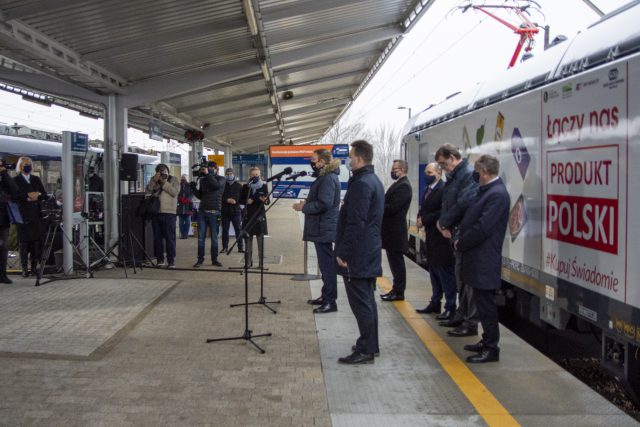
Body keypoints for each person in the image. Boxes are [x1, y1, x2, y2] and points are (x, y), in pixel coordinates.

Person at [455, 155, 510, 363]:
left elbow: (483, 227)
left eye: (477, 171)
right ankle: (486, 340)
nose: (475, 175)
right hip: (477, 258)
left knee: (486, 305)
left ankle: (491, 348)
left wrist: (461, 242)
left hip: (484, 259)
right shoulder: (487, 191)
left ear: (484, 171)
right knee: (481, 302)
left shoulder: (497, 195)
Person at [335, 140, 384, 365]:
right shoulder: (372, 180)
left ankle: (366, 350)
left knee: (361, 303)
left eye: (351, 156)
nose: (348, 160)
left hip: (358, 253)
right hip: (368, 250)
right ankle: (370, 344)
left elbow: (356, 222)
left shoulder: (362, 184)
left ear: (360, 158)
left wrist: (343, 253)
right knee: (367, 301)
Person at [434, 144, 479, 337]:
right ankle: (461, 315)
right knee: (461, 277)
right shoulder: (455, 176)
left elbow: (464, 203)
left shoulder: (467, 175)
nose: (443, 169)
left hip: (463, 233)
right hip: (456, 232)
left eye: (444, 164)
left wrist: (443, 222)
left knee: (467, 280)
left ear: (453, 157)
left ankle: (470, 322)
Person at [293, 148, 341, 314]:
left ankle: (330, 302)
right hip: (321, 227)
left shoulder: (328, 178)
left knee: (327, 266)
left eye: (314, 160)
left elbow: (324, 204)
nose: (311, 163)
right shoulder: (326, 176)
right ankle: (325, 295)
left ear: (322, 162)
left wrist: (303, 207)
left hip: (324, 227)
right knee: (325, 264)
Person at [415, 163, 456, 320]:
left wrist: (424, 219)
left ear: (438, 174)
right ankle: (435, 302)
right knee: (434, 273)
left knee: (445, 274)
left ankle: (450, 306)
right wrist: (420, 217)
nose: (426, 174)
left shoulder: (443, 189)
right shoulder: (428, 189)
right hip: (431, 238)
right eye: (426, 172)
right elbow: (424, 207)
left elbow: (442, 211)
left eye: (430, 172)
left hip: (441, 239)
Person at [380, 159, 412, 302]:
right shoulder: (398, 184)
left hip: (395, 232)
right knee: (394, 262)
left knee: (397, 263)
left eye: (395, 169)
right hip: (391, 231)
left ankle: (399, 291)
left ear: (403, 170)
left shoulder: (404, 186)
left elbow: (393, 208)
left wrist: (379, 206)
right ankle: (396, 289)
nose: (393, 171)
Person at [12, 156, 47, 277]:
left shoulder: (36, 179)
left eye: (30, 164)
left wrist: (38, 195)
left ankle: (33, 267)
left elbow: (44, 194)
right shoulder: (15, 180)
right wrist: (26, 196)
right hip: (22, 215)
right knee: (23, 243)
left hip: (35, 214)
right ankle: (24, 268)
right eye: (26, 164)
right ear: (21, 166)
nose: (29, 167)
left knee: (35, 243)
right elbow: (13, 196)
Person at [192, 161, 226, 267]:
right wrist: (193, 188)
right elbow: (201, 196)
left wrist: (207, 174)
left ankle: (214, 259)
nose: (210, 169)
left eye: (212, 168)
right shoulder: (203, 180)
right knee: (201, 237)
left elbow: (215, 186)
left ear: (217, 169)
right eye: (208, 168)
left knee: (214, 238)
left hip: (214, 212)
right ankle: (200, 259)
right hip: (202, 211)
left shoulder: (221, 179)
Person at [146, 163, 179, 268]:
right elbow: (148, 191)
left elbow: (174, 192)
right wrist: (154, 180)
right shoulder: (154, 180)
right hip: (156, 212)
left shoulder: (173, 179)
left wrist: (163, 182)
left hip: (169, 213)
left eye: (164, 171)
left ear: (168, 171)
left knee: (170, 238)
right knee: (157, 238)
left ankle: (171, 261)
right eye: (160, 171)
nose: (162, 173)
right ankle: (160, 260)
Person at [239, 167, 269, 268]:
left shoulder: (264, 186)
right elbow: (240, 200)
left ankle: (261, 264)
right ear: (250, 176)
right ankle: (248, 262)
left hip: (259, 216)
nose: (255, 177)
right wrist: (246, 201)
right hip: (248, 216)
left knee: (260, 241)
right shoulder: (245, 187)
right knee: (248, 240)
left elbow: (267, 201)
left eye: (257, 175)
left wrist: (264, 200)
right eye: (253, 175)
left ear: (260, 175)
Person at [0, 157, 18, 283]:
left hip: (3, 218)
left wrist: (4, 173)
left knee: (3, 247)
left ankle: (2, 274)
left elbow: (14, 189)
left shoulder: (3, 178)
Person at [220, 168, 244, 253]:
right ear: (225, 175)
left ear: (234, 174)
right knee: (225, 230)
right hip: (225, 211)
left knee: (238, 230)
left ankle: (240, 247)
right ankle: (225, 247)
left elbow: (242, 198)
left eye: (231, 173)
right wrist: (227, 200)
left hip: (236, 211)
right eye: (228, 174)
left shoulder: (239, 186)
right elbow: (219, 197)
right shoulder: (222, 185)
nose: (229, 175)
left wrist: (236, 201)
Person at [177, 174, 193, 239]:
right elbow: (176, 193)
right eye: (182, 177)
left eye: (184, 177)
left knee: (187, 222)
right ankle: (182, 234)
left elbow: (192, 194)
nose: (183, 179)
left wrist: (188, 199)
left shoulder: (189, 185)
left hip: (188, 206)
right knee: (181, 222)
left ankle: (185, 234)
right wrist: (180, 199)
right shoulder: (178, 185)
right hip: (180, 206)